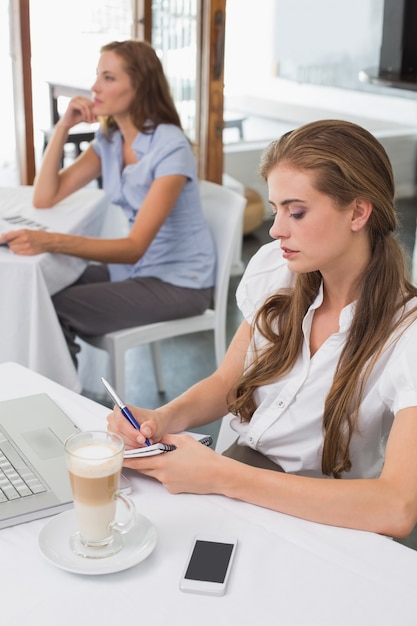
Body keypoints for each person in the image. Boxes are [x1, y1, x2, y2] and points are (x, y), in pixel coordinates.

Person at [107, 119, 417, 539]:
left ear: (358, 211)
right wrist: (163, 419)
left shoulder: (407, 332)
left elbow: (396, 508)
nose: (276, 230)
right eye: (276, 210)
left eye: (298, 211)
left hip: (319, 523)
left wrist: (222, 477)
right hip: (230, 480)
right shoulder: (276, 267)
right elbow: (227, 383)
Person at [0, 40, 215, 365]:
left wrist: (50, 242)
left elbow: (134, 247)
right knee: (36, 295)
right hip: (131, 271)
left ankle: (61, 404)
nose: (94, 87)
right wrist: (63, 126)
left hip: (179, 284)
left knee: (52, 308)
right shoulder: (111, 141)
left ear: (140, 85)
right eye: (97, 75)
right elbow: (45, 197)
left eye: (108, 78)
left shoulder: (170, 148)